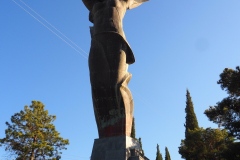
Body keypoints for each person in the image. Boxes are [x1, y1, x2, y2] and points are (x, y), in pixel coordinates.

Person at [82, 0, 147, 138]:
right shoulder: (93, 2)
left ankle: (123, 133)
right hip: (97, 40)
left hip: (116, 38)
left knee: (117, 85)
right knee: (98, 87)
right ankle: (105, 133)